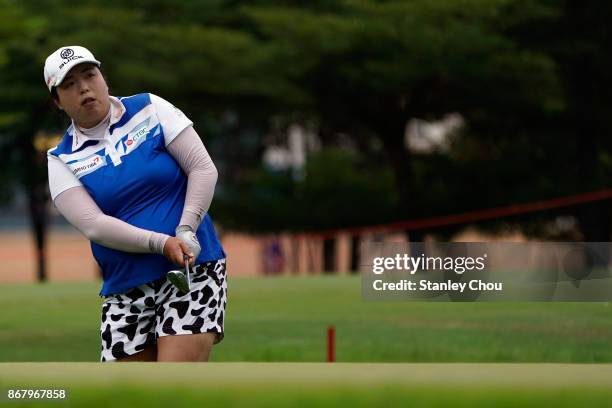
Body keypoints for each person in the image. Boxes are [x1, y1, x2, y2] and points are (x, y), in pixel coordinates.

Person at [44, 45, 227, 362]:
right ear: (58, 101)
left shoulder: (150, 108)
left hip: (191, 269)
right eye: (69, 84)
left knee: (173, 389)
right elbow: (94, 225)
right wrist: (160, 242)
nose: (84, 87)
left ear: (103, 78)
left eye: (89, 75)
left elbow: (202, 168)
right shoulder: (61, 158)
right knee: (128, 395)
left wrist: (185, 230)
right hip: (124, 287)